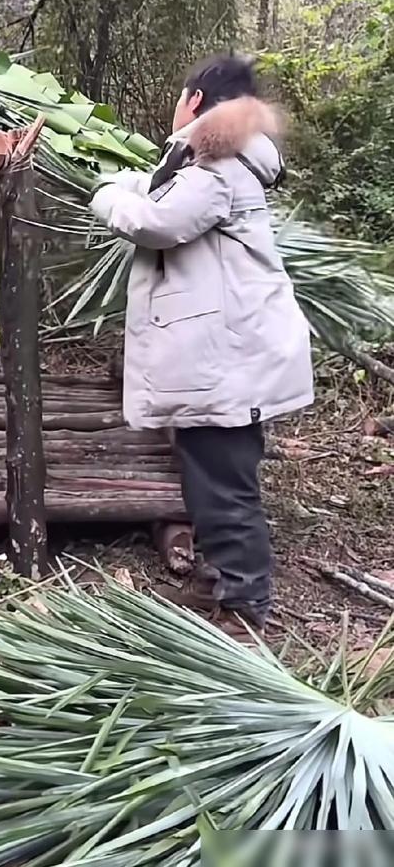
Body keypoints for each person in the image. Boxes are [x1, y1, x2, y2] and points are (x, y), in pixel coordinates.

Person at [89, 54, 314, 637]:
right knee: (208, 477)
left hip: (230, 361)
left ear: (194, 101)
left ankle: (244, 606)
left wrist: (106, 194)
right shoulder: (213, 164)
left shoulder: (216, 167)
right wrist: (129, 183)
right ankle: (219, 581)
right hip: (226, 356)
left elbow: (154, 222)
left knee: (224, 485)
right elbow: (163, 195)